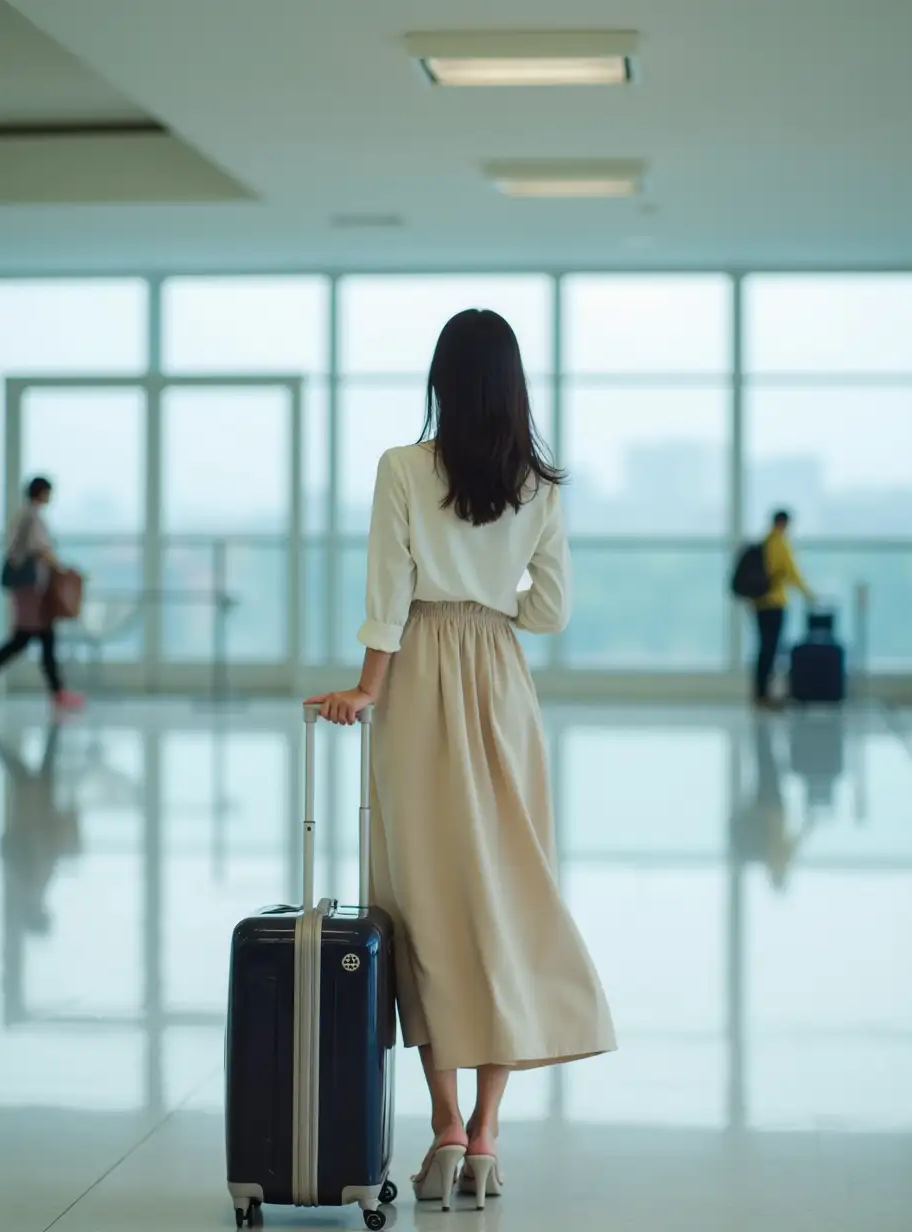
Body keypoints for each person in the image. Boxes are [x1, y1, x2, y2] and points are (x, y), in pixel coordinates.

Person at [307, 309, 616, 1209]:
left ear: (441, 378)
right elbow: (551, 610)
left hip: (417, 682)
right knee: (506, 895)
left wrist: (366, 688)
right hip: (501, 683)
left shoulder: (403, 468)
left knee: (421, 898)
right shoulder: (539, 484)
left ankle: (442, 1122)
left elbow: (388, 592)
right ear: (514, 387)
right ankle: (486, 1133)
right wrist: (496, 613)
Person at [0, 477, 83, 712]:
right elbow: (40, 549)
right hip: (29, 589)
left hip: (31, 589)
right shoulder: (31, 517)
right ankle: (58, 692)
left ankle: (58, 692)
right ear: (42, 493)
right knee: (24, 637)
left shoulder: (24, 515)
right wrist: (61, 568)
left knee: (43, 637)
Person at [753, 509, 815, 710]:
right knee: (771, 649)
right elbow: (792, 573)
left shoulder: (764, 543)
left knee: (764, 648)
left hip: (759, 604)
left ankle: (760, 693)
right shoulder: (780, 544)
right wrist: (809, 594)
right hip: (775, 603)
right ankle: (768, 694)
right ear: (784, 524)